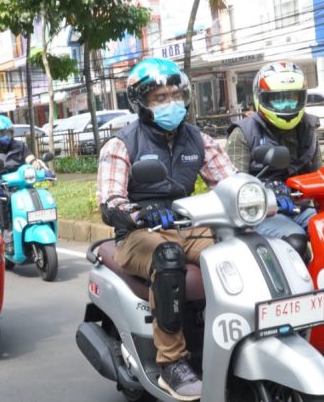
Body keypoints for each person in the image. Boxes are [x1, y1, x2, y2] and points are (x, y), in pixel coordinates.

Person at [97, 58, 235, 400]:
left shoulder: (199, 140)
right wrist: (138, 213)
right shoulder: (122, 144)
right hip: (138, 235)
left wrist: (254, 193)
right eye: (160, 98)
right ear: (141, 103)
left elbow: (230, 182)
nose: (171, 103)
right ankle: (172, 362)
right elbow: (110, 202)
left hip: (187, 225)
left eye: (175, 95)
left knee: (237, 249)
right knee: (168, 256)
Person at [226, 62, 320, 259]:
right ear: (260, 97)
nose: (286, 106)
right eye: (277, 99)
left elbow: (318, 177)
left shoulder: (308, 128)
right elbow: (233, 188)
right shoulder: (243, 132)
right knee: (295, 241)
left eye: (292, 98)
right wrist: (268, 195)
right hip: (261, 213)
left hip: (301, 207)